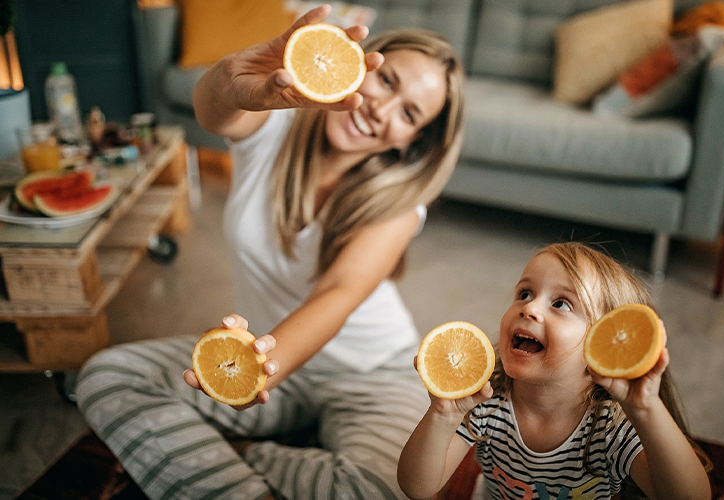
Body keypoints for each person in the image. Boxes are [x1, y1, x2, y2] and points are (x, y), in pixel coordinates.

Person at [76, 5, 465, 500]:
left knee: (379, 489)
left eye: (410, 114)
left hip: (368, 373)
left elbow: (338, 295)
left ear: (414, 141)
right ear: (360, 61)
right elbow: (213, 107)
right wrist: (234, 82)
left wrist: (259, 370)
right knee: (108, 377)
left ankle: (245, 455)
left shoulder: (400, 206)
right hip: (274, 359)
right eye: (386, 81)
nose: (381, 111)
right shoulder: (276, 124)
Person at [397, 242, 712, 500]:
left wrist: (646, 411)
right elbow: (418, 487)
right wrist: (443, 415)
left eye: (561, 304)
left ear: (602, 344)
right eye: (525, 293)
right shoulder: (486, 399)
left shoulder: (612, 427)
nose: (529, 308)